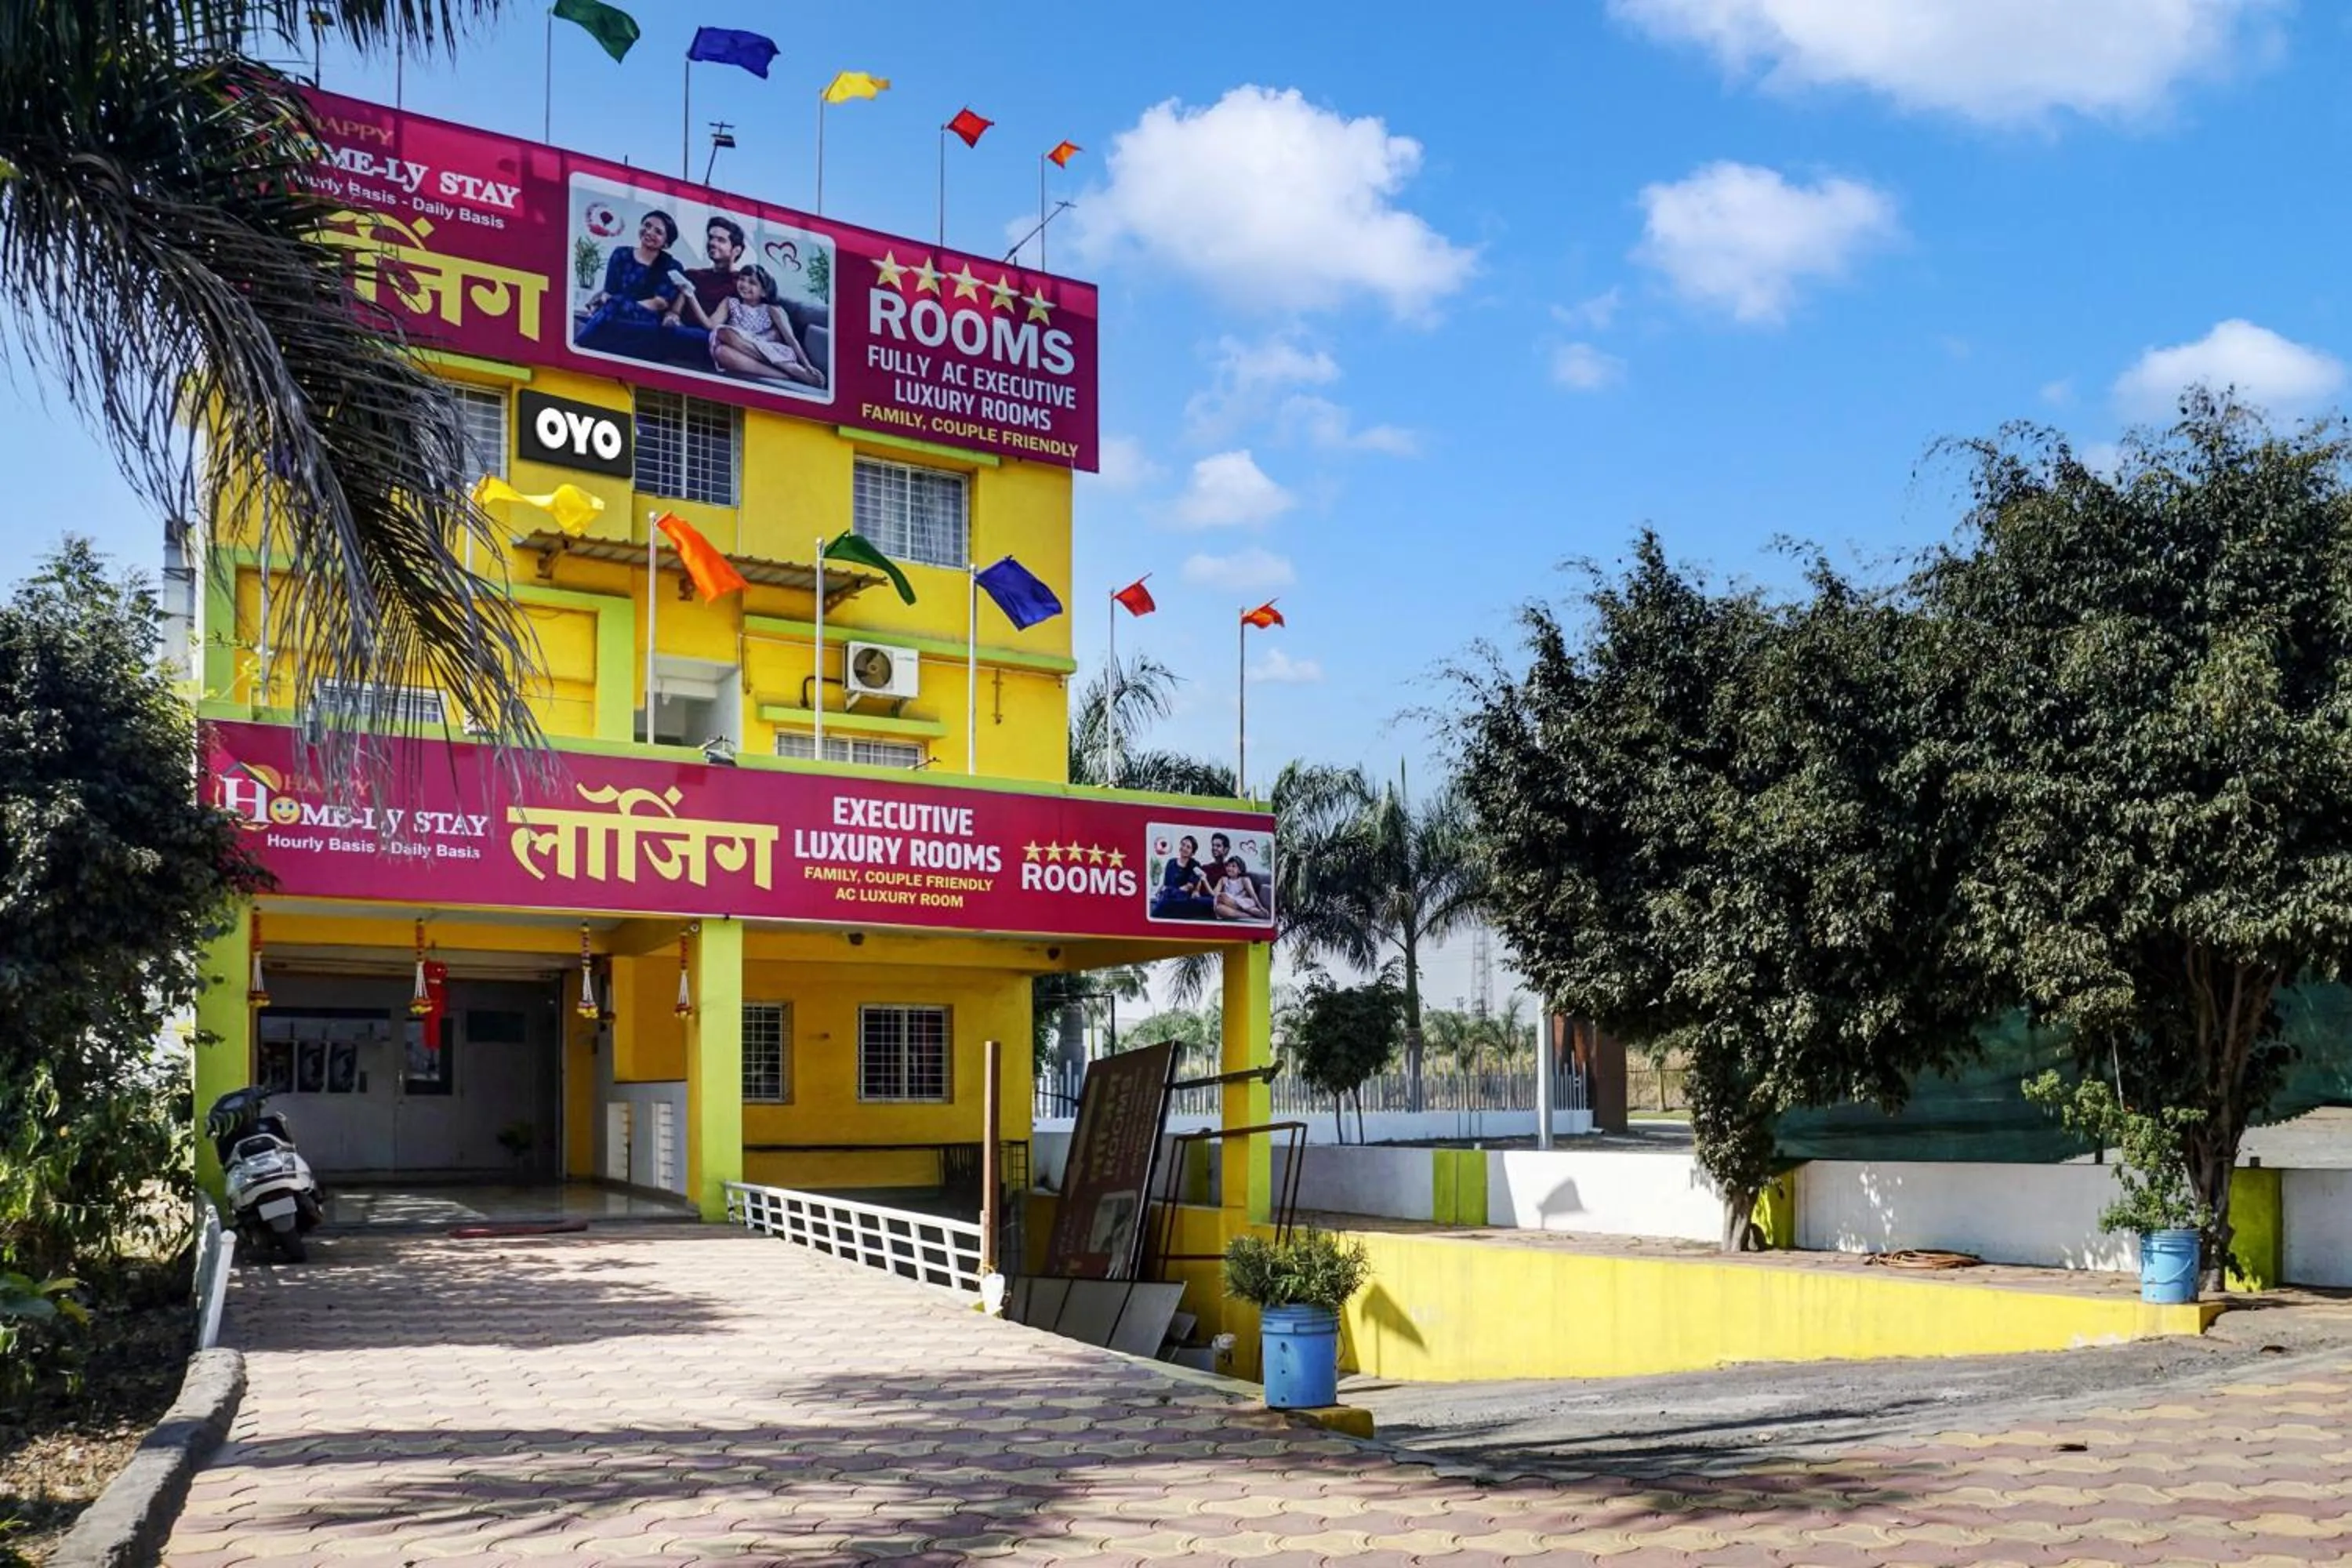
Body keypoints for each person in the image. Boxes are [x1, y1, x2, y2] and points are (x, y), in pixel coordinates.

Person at [575, 211, 690, 362]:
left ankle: (579, 346)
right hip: (613, 309)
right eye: (647, 225)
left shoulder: (672, 266)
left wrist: (625, 305)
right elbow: (609, 291)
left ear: (666, 242)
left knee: (613, 306)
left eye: (658, 232)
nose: (649, 232)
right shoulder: (621, 254)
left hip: (647, 315)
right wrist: (616, 303)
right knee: (609, 307)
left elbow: (660, 302)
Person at [707, 266, 823, 388]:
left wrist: (807, 365)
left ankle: (793, 369)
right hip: (743, 351)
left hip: (771, 352)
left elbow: (790, 338)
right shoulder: (733, 304)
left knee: (724, 333)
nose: (744, 285)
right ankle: (788, 376)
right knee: (721, 351)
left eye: (752, 282)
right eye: (742, 279)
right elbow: (712, 325)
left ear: (764, 292)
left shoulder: (772, 310)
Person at [1150, 834, 1218, 921]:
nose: (1184, 848)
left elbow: (1189, 886)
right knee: (1164, 899)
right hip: (1169, 895)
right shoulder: (1171, 862)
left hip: (1183, 897)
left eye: (1188, 847)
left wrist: (1174, 891)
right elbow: (1166, 884)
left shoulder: (1194, 864)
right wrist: (1161, 892)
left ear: (1192, 853)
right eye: (1183, 844)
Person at [1212, 854, 1266, 922]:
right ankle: (1249, 916)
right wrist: (1220, 883)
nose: (1230, 868)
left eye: (1233, 866)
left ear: (1240, 870)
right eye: (1228, 866)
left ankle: (1252, 911)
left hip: (1243, 902)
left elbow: (1253, 894)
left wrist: (1261, 907)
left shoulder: (1244, 880)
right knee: (1219, 908)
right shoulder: (1223, 879)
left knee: (1222, 897)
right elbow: (1214, 893)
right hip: (1229, 905)